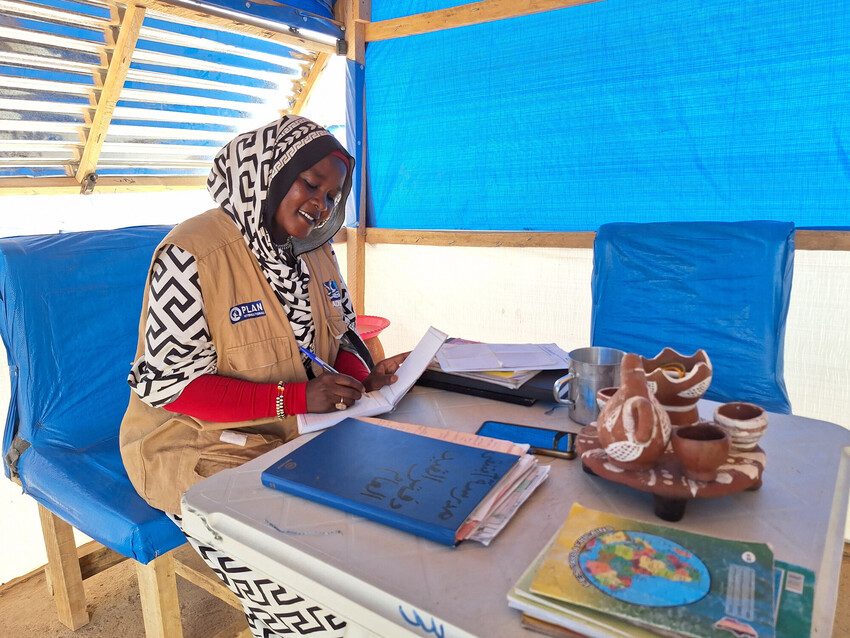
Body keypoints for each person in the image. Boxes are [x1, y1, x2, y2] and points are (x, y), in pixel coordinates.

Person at [120, 115, 406, 638]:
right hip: (196, 444)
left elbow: (339, 334)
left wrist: (359, 377)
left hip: (296, 430)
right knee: (299, 578)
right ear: (269, 176)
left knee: (382, 534)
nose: (320, 204)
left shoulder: (316, 249)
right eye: (311, 185)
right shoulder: (191, 255)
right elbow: (173, 387)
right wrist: (298, 397)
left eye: (331, 194)